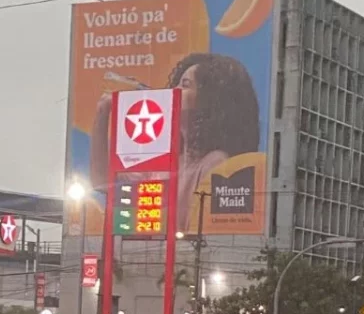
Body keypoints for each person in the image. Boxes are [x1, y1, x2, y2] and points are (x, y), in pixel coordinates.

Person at [89, 53, 261, 231]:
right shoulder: (166, 159)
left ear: (211, 100)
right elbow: (102, 182)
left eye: (185, 85)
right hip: (152, 255)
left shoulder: (215, 162)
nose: (173, 91)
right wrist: (103, 112)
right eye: (176, 84)